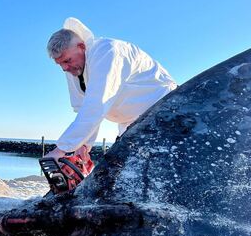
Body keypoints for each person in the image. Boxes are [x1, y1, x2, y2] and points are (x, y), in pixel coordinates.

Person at [44, 17, 177, 162]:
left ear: (81, 46)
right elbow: (84, 109)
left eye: (67, 60)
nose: (64, 68)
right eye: (60, 64)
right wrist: (83, 144)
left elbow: (97, 104)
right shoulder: (74, 69)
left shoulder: (106, 52)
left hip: (164, 110)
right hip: (130, 123)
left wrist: (61, 149)